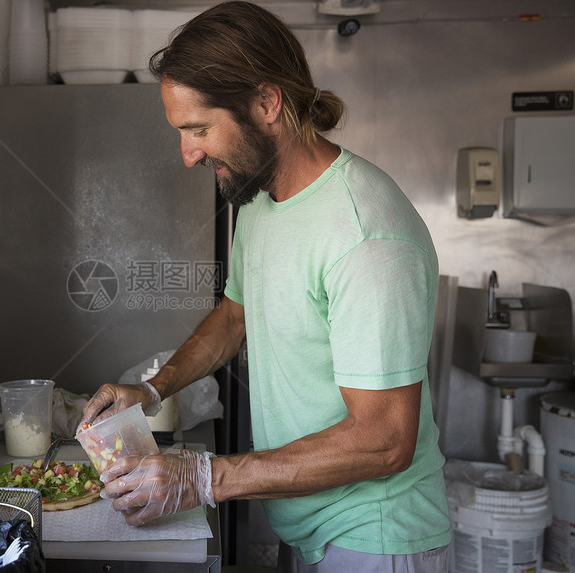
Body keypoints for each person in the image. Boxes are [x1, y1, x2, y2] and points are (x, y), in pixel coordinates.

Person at [79, 2, 451, 572]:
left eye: (198, 129)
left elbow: (385, 440)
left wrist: (205, 477)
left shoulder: (366, 236)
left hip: (375, 538)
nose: (188, 154)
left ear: (266, 102)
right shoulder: (260, 199)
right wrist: (153, 391)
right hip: (306, 524)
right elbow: (234, 316)